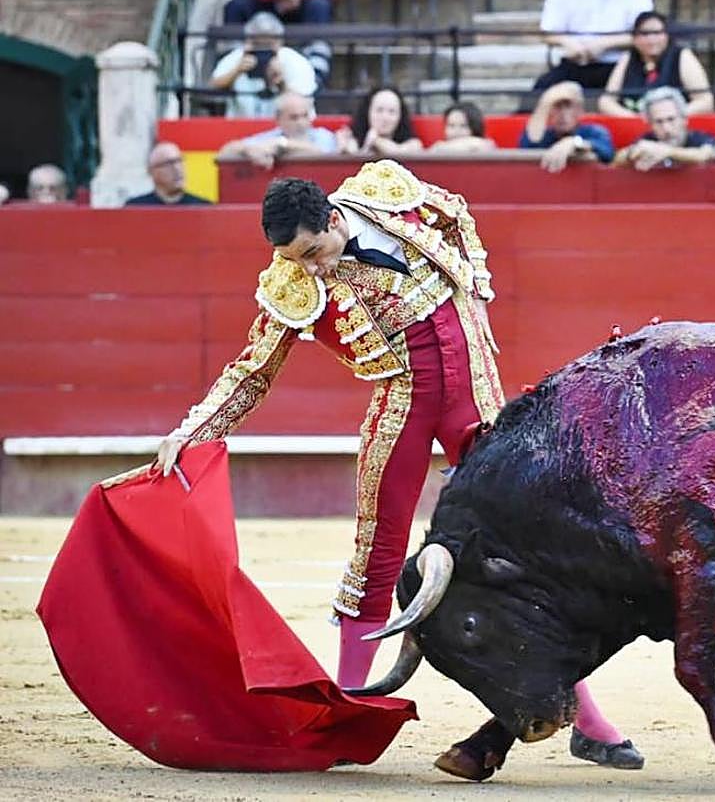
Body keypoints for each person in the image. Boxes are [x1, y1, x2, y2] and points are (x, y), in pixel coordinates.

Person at [151, 160, 640, 776]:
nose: (310, 269)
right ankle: (348, 712)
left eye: (313, 252)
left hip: (475, 396)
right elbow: (253, 370)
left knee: (529, 551)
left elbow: (455, 212)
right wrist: (191, 432)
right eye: (295, 260)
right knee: (377, 553)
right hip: (403, 401)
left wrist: (472, 292)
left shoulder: (388, 193)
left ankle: (589, 725)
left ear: (334, 219)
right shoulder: (292, 283)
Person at [533, 0, 653, 96]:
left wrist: (604, 44)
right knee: (540, 91)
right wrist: (568, 42)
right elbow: (547, 32)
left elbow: (647, 33)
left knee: (637, 94)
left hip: (621, 64)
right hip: (576, 63)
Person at [598, 11, 714, 117]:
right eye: (645, 34)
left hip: (674, 125)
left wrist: (670, 117)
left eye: (657, 33)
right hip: (634, 123)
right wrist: (633, 118)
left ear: (667, 36)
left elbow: (705, 101)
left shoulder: (682, 56)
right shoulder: (628, 58)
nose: (651, 39)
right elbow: (606, 101)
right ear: (634, 39)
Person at [210, 11, 317, 118]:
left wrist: (281, 83)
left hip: (284, 126)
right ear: (248, 40)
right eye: (257, 44)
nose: (262, 49)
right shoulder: (237, 57)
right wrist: (236, 71)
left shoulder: (296, 61)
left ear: (279, 41)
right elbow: (212, 87)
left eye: (268, 44)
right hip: (242, 123)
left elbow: (303, 106)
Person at [218, 91, 338, 169]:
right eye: (294, 117)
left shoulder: (322, 135)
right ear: (278, 119)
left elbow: (324, 154)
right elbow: (225, 152)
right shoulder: (272, 137)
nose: (301, 122)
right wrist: (248, 150)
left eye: (305, 115)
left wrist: (282, 144)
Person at [519, 81, 615, 173]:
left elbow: (607, 151)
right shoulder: (545, 136)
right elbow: (525, 148)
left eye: (568, 106)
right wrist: (545, 103)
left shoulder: (593, 131)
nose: (562, 114)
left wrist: (574, 143)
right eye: (557, 106)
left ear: (580, 110)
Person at [613, 86, 715, 170]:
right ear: (650, 124)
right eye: (658, 122)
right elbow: (616, 160)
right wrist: (633, 152)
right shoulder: (648, 139)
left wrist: (667, 151)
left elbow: (704, 155)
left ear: (684, 119)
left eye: (671, 119)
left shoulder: (700, 137)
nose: (666, 128)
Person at [335, 86, 423, 157]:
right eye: (379, 110)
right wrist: (344, 149)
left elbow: (401, 153)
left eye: (392, 111)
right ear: (367, 112)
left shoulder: (413, 144)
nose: (385, 117)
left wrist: (376, 141)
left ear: (401, 116)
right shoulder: (352, 141)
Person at [125, 142, 212, 206]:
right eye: (169, 163)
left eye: (179, 161)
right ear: (151, 171)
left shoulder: (203, 208)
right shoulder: (136, 208)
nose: (177, 168)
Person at [428, 102, 497, 153]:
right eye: (451, 125)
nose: (456, 131)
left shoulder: (486, 145)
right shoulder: (438, 147)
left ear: (475, 127)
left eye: (463, 126)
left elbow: (484, 145)